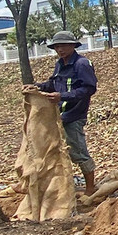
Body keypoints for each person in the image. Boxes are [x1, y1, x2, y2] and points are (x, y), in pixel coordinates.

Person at [26, 31, 99, 195]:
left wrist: (63, 96)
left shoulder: (82, 64)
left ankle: (90, 188)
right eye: (57, 47)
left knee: (78, 151)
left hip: (74, 115)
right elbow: (53, 84)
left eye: (64, 46)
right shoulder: (59, 64)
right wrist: (37, 87)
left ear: (73, 46)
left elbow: (89, 89)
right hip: (59, 116)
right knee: (53, 151)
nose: (60, 49)